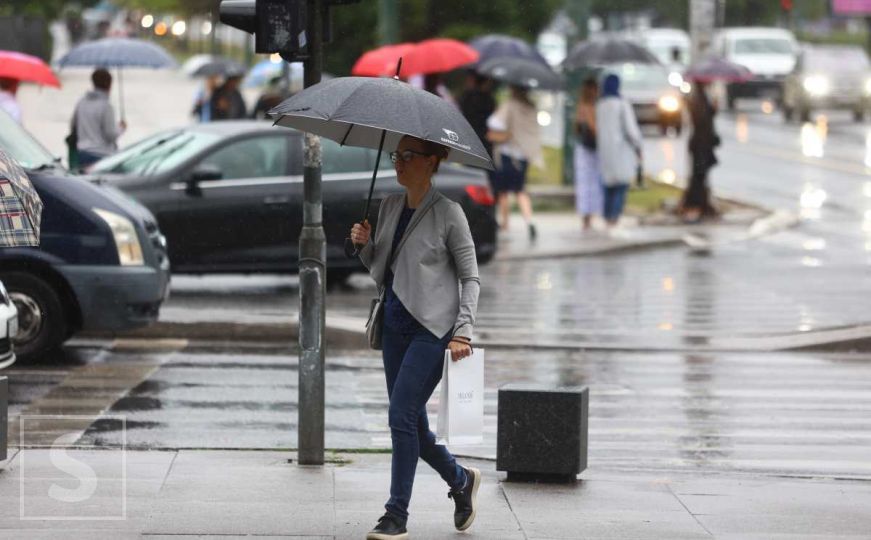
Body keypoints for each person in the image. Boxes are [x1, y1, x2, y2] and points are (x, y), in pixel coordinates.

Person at [349, 135, 481, 540]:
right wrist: (364, 246)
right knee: (412, 422)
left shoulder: (449, 213)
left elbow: (470, 277)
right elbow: (382, 269)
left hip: (432, 331)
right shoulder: (389, 206)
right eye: (396, 155)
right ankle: (461, 480)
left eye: (408, 156)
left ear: (432, 162)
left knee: (400, 416)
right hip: (394, 325)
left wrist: (463, 330)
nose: (399, 163)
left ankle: (396, 514)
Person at [487, 85, 542, 239]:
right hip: (523, 156)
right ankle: (529, 221)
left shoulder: (510, 105)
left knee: (503, 191)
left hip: (507, 153)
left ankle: (505, 223)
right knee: (520, 190)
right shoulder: (531, 108)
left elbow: (493, 122)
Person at [595, 73, 642, 227]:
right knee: (620, 186)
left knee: (608, 186)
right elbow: (631, 130)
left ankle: (606, 217)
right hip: (621, 150)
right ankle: (614, 219)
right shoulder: (622, 104)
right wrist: (638, 145)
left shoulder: (600, 105)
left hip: (604, 151)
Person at [71, 68, 126, 169]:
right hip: (101, 156)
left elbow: (73, 125)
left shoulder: (82, 102)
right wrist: (121, 128)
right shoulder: (106, 106)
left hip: (82, 153)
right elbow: (110, 135)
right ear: (109, 84)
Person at [680, 81, 720, 222]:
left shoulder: (699, 98)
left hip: (701, 144)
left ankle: (700, 204)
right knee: (698, 176)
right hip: (700, 144)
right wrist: (712, 110)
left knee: (700, 175)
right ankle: (694, 205)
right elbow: (702, 120)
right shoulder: (698, 99)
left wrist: (713, 108)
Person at [573, 77, 603, 230]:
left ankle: (588, 217)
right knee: (588, 183)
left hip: (590, 148)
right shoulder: (586, 107)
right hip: (589, 148)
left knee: (589, 183)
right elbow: (592, 128)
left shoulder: (588, 106)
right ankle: (587, 217)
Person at [458, 72, 496, 191]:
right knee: (485, 176)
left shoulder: (466, 97)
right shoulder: (489, 99)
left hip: (469, 140)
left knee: (469, 174)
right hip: (485, 142)